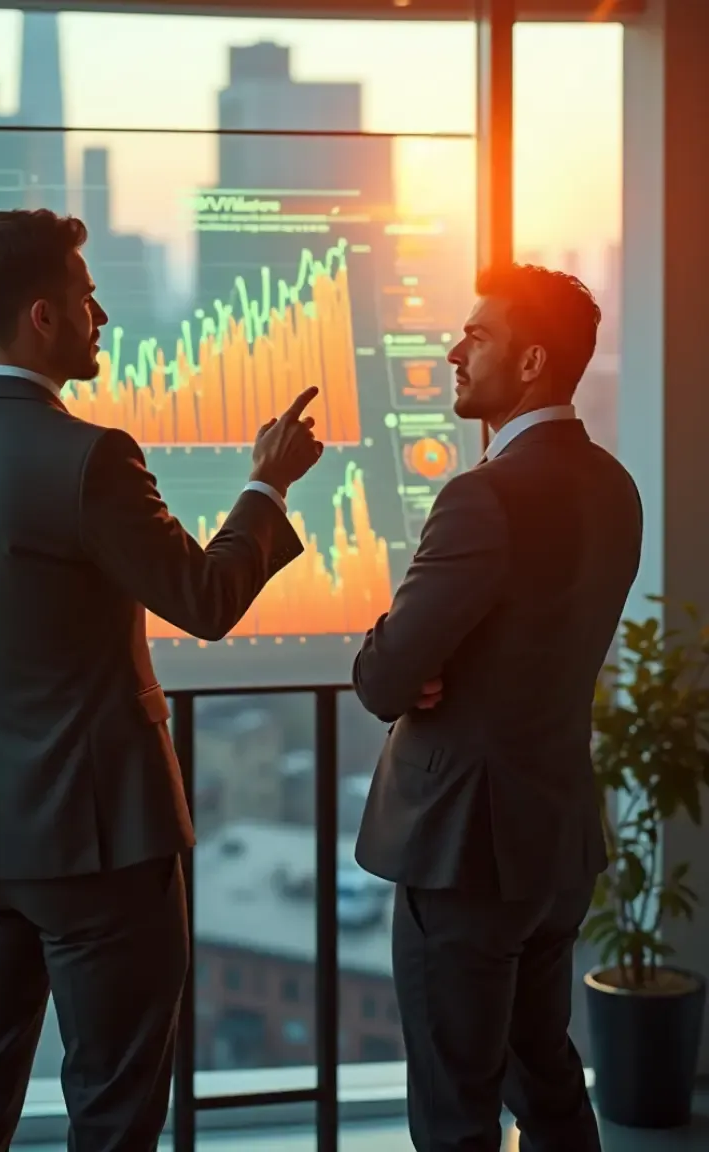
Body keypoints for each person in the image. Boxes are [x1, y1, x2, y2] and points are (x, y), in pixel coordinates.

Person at [0, 208, 323, 1151]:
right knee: (113, 1110)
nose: (101, 313)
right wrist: (267, 485)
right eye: (85, 298)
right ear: (42, 316)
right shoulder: (92, 458)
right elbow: (204, 598)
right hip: (105, 843)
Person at [352, 264, 642, 1152]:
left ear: (531, 363)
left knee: (454, 1104)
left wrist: (397, 651)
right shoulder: (614, 488)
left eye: (477, 335)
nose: (453, 349)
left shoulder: (482, 496)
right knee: (545, 1075)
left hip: (464, 852)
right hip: (554, 838)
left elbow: (386, 680)